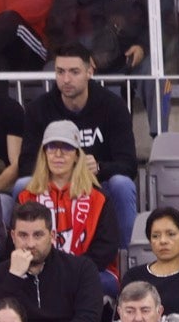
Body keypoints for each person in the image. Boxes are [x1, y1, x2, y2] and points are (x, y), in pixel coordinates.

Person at [17, 43, 137, 242]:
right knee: (22, 185)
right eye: (60, 72)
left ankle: (127, 254)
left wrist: (99, 167)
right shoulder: (39, 109)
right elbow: (26, 165)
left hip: (98, 183)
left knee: (122, 184)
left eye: (74, 72)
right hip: (53, 184)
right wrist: (59, 170)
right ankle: (25, 252)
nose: (66, 79)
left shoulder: (113, 106)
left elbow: (129, 164)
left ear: (90, 72)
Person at [18, 118, 119, 293]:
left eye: (66, 147)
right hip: (36, 268)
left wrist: (69, 272)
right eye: (52, 147)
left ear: (77, 155)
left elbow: (106, 248)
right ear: (44, 154)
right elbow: (16, 242)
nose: (58, 154)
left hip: (86, 271)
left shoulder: (98, 198)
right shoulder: (26, 197)